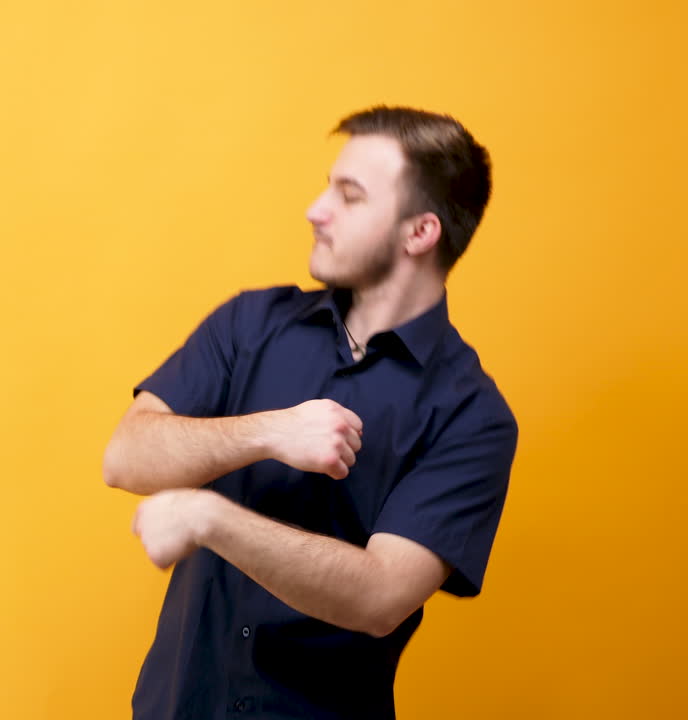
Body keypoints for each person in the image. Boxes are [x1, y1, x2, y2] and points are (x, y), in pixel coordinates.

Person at [102, 106, 518, 720]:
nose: (315, 209)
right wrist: (271, 430)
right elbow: (125, 456)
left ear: (419, 233)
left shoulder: (472, 416)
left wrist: (209, 517)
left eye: (349, 196)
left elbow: (380, 596)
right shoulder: (250, 324)